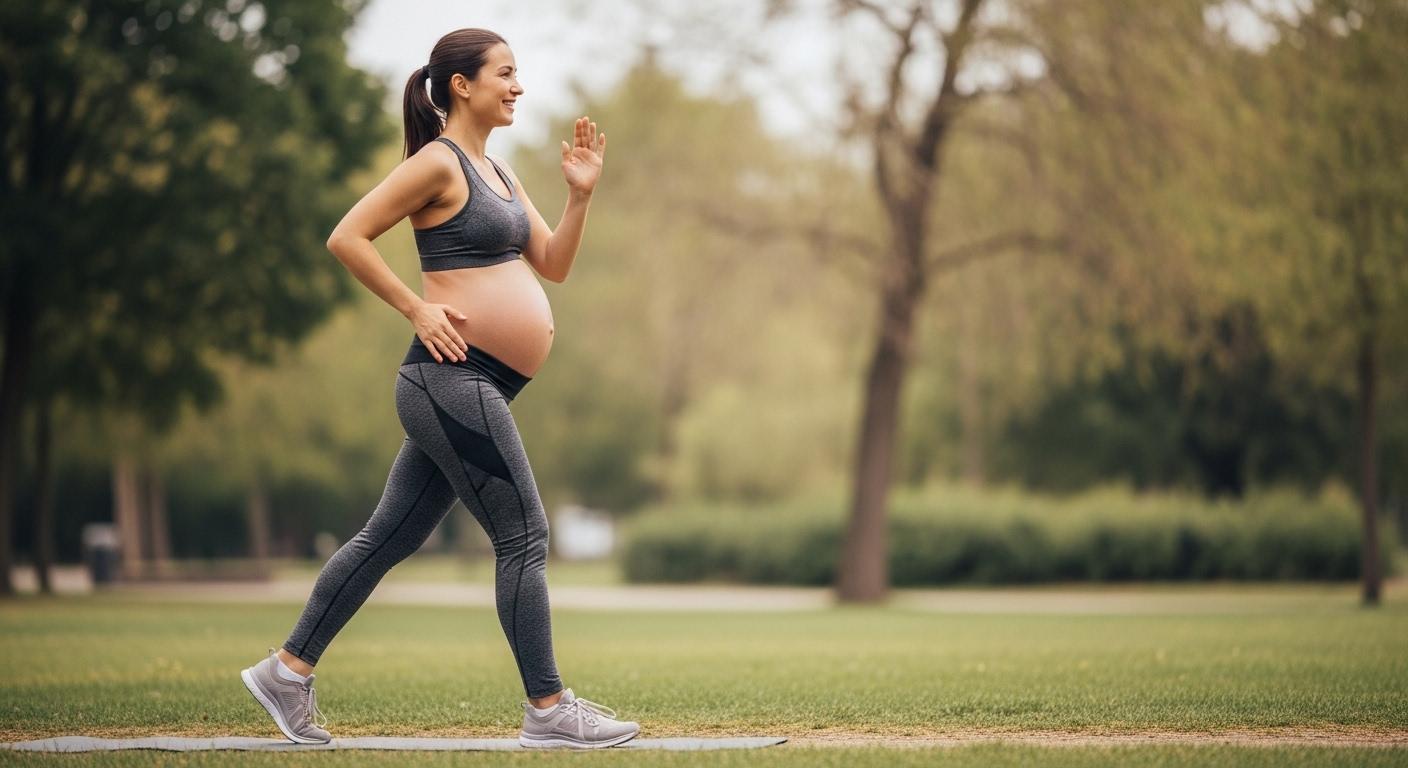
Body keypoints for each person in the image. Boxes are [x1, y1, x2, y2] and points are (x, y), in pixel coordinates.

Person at [239, 27, 638, 750]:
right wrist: (416, 307)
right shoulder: (438, 163)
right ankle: (548, 708)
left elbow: (551, 264)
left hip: (472, 385)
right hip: (448, 379)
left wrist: (580, 198)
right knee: (525, 534)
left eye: (519, 75)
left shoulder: (502, 173)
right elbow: (348, 236)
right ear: (462, 85)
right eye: (505, 73)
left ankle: (285, 672)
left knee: (387, 538)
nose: (518, 86)